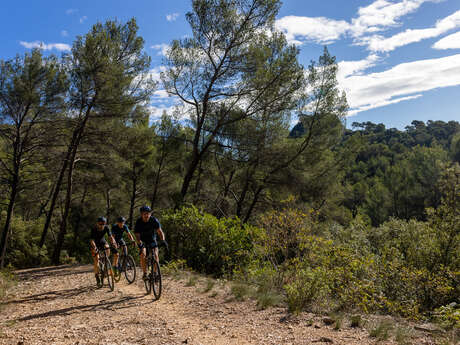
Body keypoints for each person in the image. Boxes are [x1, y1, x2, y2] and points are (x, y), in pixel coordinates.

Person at [134, 205, 166, 280]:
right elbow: (137, 235)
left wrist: (163, 240)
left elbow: (160, 232)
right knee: (143, 254)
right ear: (141, 214)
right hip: (142, 240)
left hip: (152, 239)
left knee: (156, 254)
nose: (146, 215)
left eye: (148, 213)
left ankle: (154, 273)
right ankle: (145, 273)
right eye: (144, 214)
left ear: (150, 214)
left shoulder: (154, 220)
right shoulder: (138, 222)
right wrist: (140, 244)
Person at [90, 216, 117, 286]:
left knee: (107, 248)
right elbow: (92, 240)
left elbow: (110, 237)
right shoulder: (94, 229)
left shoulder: (106, 227)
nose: (102, 225)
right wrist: (95, 247)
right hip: (95, 244)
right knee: (96, 260)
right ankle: (97, 277)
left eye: (103, 224)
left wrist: (114, 243)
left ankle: (105, 260)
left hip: (102, 242)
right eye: (100, 224)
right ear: (97, 223)